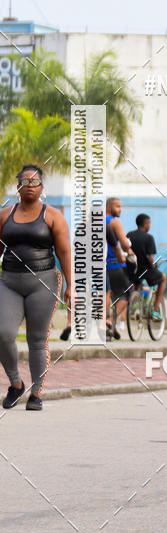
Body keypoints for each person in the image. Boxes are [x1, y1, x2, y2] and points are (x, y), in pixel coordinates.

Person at [0, 165, 71, 410]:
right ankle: (16, 384)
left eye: (35, 182)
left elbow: (64, 252)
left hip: (44, 282)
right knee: (3, 333)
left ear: (41, 187)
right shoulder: (4, 215)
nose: (30, 186)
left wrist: (71, 285)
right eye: (25, 181)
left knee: (37, 340)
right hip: (9, 282)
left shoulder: (53, 216)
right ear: (17, 186)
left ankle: (36, 393)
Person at [127, 214, 167, 321]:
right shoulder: (149, 237)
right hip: (145, 269)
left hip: (132, 269)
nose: (150, 225)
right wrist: (153, 265)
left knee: (135, 284)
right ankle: (155, 310)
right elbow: (150, 257)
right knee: (163, 278)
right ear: (145, 224)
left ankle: (135, 307)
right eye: (149, 223)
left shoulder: (129, 235)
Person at [106, 197, 135, 339]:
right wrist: (130, 251)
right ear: (109, 206)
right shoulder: (114, 222)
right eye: (117, 206)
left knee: (108, 295)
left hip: (100, 266)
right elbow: (124, 244)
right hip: (115, 264)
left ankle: (110, 329)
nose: (120, 209)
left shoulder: (96, 221)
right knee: (127, 294)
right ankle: (110, 321)